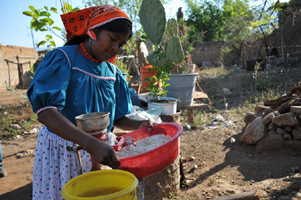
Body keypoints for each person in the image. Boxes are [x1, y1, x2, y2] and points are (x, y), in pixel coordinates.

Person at [27, 5, 152, 200]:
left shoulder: (112, 73)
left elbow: (116, 118)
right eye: (112, 39)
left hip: (100, 149)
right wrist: (89, 143)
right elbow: (46, 112)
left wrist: (141, 125)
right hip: (64, 149)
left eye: (121, 44)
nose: (115, 48)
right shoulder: (64, 59)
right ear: (93, 31)